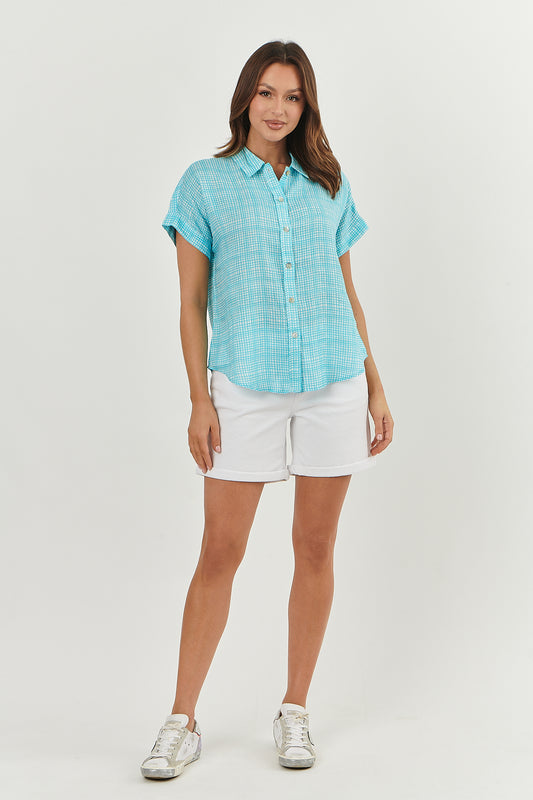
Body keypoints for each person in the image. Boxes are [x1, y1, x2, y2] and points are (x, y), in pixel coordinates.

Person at [140, 39, 393, 781]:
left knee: (315, 547)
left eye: (292, 96)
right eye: (266, 93)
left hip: (332, 381)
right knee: (220, 552)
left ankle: (294, 709)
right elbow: (190, 303)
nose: (278, 109)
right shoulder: (205, 184)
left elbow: (346, 292)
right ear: (245, 97)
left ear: (306, 106)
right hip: (242, 387)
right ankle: (181, 719)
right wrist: (199, 398)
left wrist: (375, 385)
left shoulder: (328, 183)